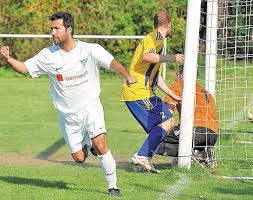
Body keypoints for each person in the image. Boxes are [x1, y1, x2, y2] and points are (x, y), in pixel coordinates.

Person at [0, 12, 137, 196]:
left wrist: (127, 75)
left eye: (57, 28)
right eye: (52, 29)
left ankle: (113, 186)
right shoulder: (48, 55)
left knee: (101, 144)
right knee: (79, 158)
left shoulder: (90, 49)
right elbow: (25, 68)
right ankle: (87, 146)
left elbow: (112, 62)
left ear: (69, 30)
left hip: (90, 106)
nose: (52, 32)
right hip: (67, 116)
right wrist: (8, 59)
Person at [121, 10, 184, 173]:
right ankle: (142, 156)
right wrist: (172, 58)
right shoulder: (156, 37)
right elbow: (146, 56)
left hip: (144, 92)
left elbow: (155, 77)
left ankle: (142, 161)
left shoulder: (158, 40)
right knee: (166, 123)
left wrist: (173, 95)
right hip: (138, 92)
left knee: (165, 124)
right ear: (169, 25)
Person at [157, 65, 219, 173]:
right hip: (213, 134)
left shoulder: (179, 85)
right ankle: (205, 152)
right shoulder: (205, 92)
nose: (175, 78)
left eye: (176, 75)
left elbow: (167, 113)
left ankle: (192, 154)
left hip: (194, 130)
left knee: (156, 135)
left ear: (181, 75)